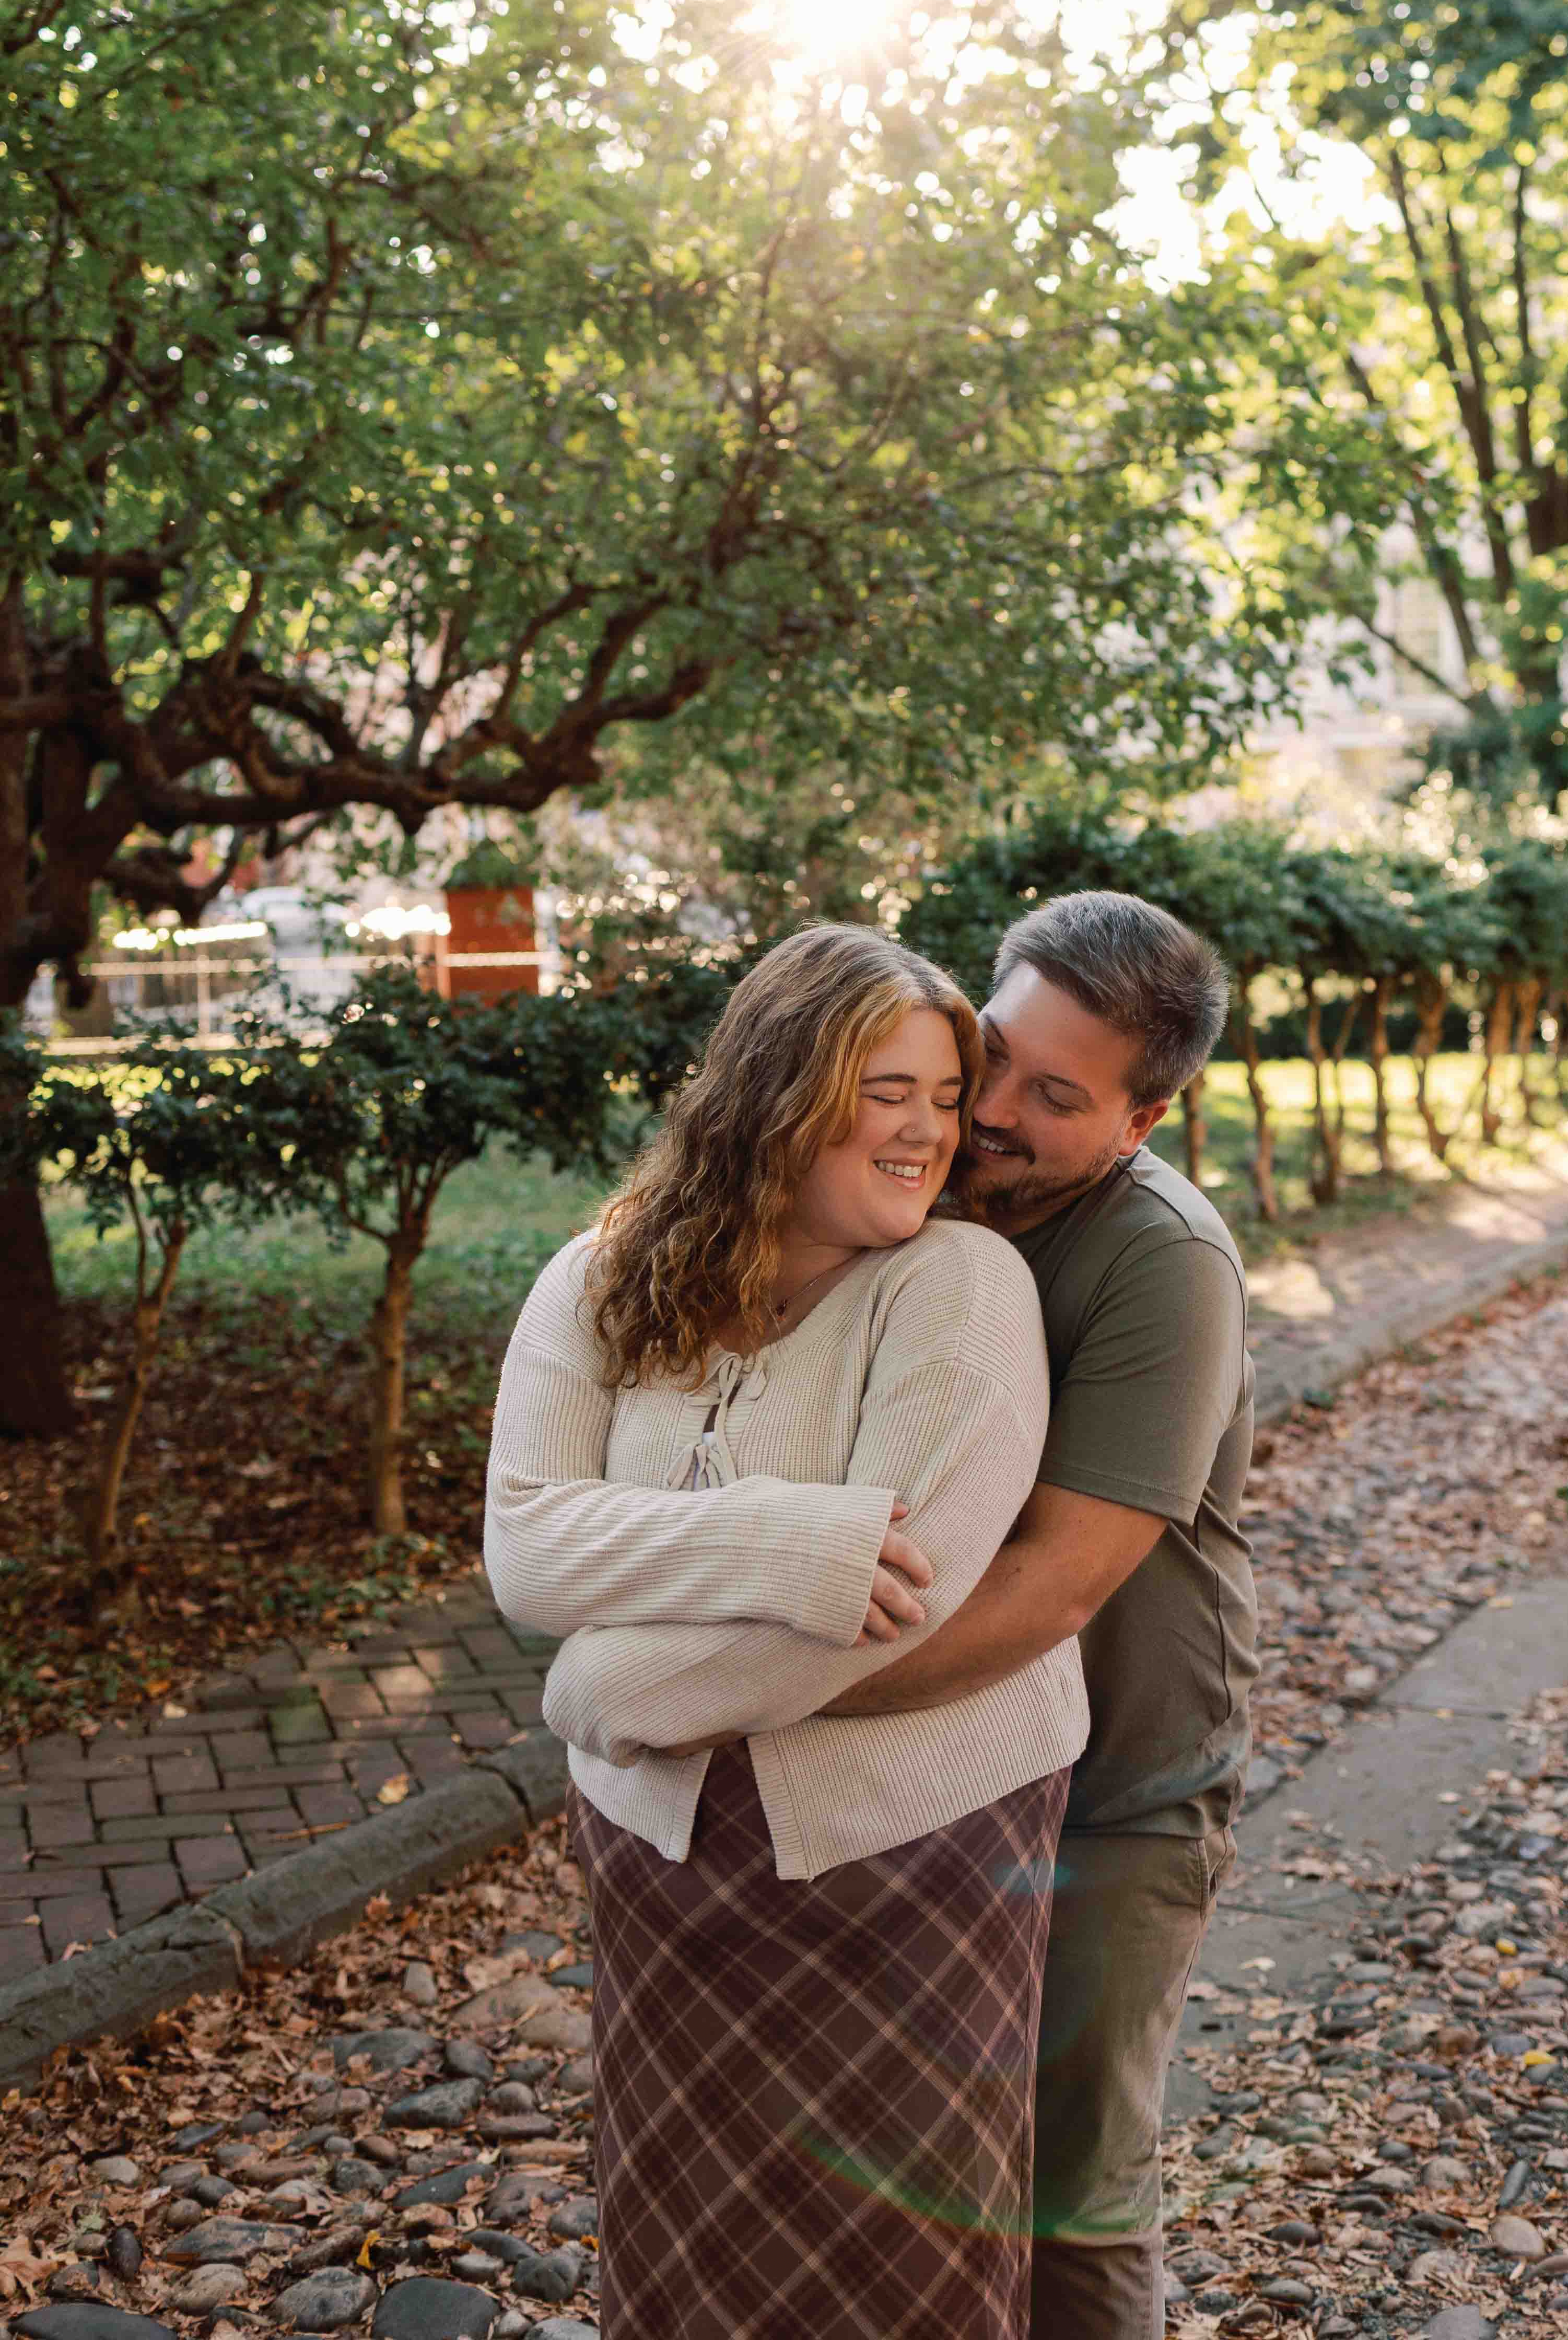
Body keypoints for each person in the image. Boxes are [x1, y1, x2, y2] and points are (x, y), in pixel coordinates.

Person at [484, 925, 1089, 2340]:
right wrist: (786, 1541)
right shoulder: (603, 1277)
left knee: (903, 2260)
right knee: (684, 2242)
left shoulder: (959, 1288)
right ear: (776, 1090)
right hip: (658, 1855)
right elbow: (528, 1545)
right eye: (891, 1090)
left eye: (948, 1097)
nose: (930, 1132)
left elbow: (886, 1615)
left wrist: (597, 1688)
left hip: (909, 1856)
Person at [821, 890, 1258, 2340]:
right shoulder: (918, 1170)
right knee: (914, 2174)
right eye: (990, 1053)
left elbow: (1058, 1581)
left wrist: (772, 1699)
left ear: (1143, 1126)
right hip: (940, 1775)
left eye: (1054, 1098)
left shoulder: (1164, 1264)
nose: (991, 1110)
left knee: (1069, 2189)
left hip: (1116, 1793)